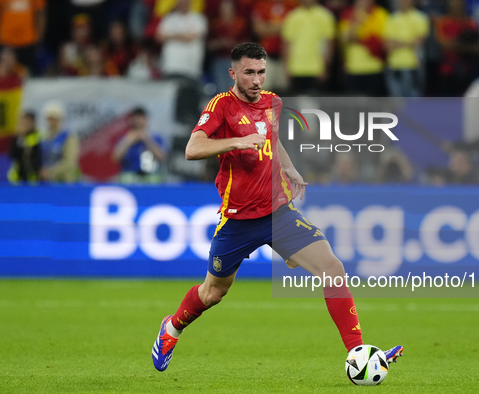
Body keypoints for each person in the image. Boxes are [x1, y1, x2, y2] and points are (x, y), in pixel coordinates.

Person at [150, 42, 403, 372]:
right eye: (249, 73)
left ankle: (357, 352)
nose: (256, 80)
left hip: (278, 213)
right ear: (233, 73)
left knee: (333, 269)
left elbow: (271, 137)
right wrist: (237, 141)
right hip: (239, 220)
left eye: (261, 72)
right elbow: (192, 148)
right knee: (212, 293)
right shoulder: (221, 106)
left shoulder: (273, 102)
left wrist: (288, 166)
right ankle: (171, 329)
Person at [281, 0, 336, 95]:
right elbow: (287, 44)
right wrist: (286, 68)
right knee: (297, 104)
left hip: (317, 68)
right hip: (296, 68)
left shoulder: (325, 16)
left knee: (315, 104)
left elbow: (329, 44)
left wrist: (326, 67)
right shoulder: (292, 16)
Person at [339, 0, 389, 97]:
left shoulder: (380, 14)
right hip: (353, 68)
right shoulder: (348, 13)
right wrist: (356, 23)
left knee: (373, 107)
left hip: (375, 68)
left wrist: (359, 38)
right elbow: (346, 38)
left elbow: (381, 43)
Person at [383, 0, 429, 97]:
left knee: (413, 100)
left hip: (412, 65)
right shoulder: (392, 18)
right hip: (394, 65)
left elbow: (419, 42)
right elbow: (387, 45)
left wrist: (396, 42)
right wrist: (409, 42)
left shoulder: (420, 17)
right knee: (396, 103)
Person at [112, 107, 167, 184]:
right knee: (127, 179)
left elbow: (162, 157)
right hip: (130, 174)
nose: (139, 122)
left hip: (151, 174)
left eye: (142, 118)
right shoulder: (124, 138)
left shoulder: (155, 138)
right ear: (132, 120)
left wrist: (147, 140)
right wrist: (129, 141)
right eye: (136, 119)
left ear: (146, 120)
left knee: (154, 179)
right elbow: (115, 158)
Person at [0, 0, 45, 74]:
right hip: (5, 40)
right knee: (3, 73)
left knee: (27, 73)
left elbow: (40, 13)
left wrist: (39, 37)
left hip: (28, 40)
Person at [40, 102, 79, 183]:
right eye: (50, 119)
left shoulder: (68, 137)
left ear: (60, 119)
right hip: (45, 181)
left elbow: (69, 161)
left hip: (63, 181)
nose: (52, 122)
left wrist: (51, 172)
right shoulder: (43, 137)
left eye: (55, 119)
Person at [8, 111, 41, 184]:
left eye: (26, 123)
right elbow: (12, 154)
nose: (23, 125)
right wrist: (21, 137)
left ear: (32, 123)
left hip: (34, 179)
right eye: (22, 122)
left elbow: (37, 160)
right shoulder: (18, 138)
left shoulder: (38, 137)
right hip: (17, 178)